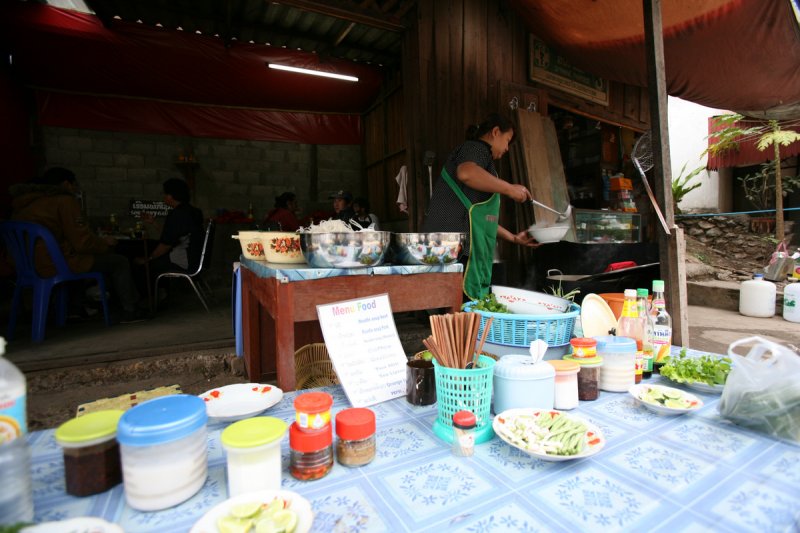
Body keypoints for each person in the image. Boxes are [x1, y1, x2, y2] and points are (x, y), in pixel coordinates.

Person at [422, 113, 539, 301]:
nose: (507, 148)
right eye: (507, 140)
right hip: (451, 249)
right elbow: (466, 173)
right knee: (457, 311)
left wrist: (514, 238)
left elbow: (481, 219)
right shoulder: (475, 148)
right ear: (495, 132)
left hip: (452, 249)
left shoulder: (482, 163)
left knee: (456, 311)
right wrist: (510, 189)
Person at [9, 167, 144, 322]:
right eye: (75, 185)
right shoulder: (64, 201)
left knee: (82, 260)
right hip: (56, 264)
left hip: (26, 266)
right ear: (67, 184)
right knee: (119, 261)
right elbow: (82, 243)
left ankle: (74, 307)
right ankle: (131, 310)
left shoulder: (23, 205)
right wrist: (105, 243)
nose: (75, 189)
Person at [136, 178, 205, 295]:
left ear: (171, 196)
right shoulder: (194, 211)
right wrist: (153, 223)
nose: (164, 197)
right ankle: (164, 294)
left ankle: (151, 299)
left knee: (143, 266)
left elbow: (166, 245)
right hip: (196, 259)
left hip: (185, 262)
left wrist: (148, 259)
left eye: (165, 194)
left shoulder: (177, 214)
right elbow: (173, 235)